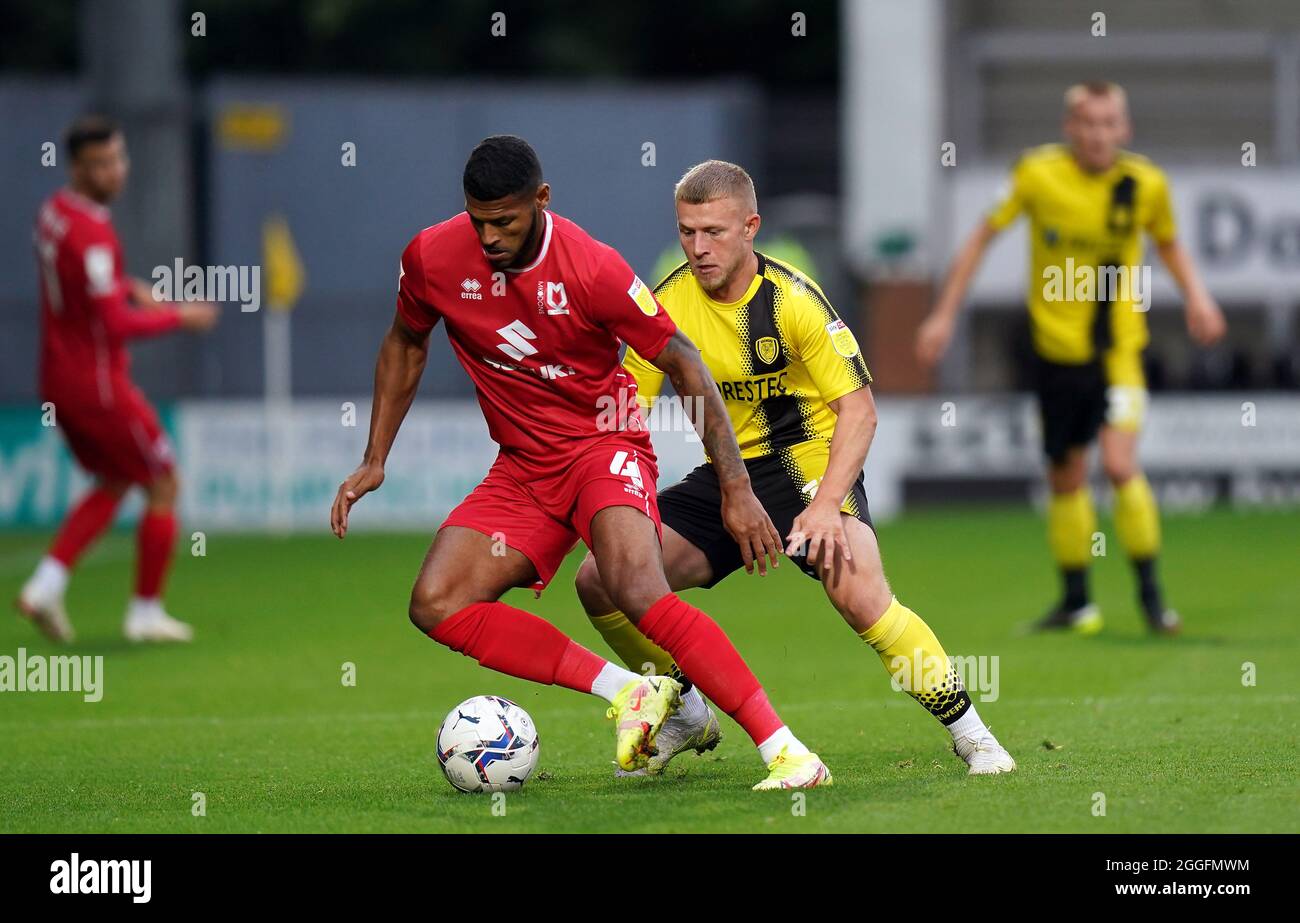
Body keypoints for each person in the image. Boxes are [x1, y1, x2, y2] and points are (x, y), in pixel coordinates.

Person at [330, 136, 830, 788]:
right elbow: (405, 343)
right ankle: (630, 689)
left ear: (541, 201)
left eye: (504, 221)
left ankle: (787, 750)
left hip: (605, 446)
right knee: (437, 602)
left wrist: (735, 485)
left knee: (635, 587)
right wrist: (374, 456)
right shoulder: (431, 257)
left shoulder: (591, 268)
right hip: (522, 468)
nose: (488, 238)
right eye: (478, 220)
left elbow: (683, 361)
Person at [575, 160, 1015, 775]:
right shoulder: (666, 304)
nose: (699, 248)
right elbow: (625, 414)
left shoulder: (794, 301)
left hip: (807, 468)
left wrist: (825, 506)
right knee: (602, 579)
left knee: (860, 595)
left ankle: (974, 735)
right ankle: (683, 709)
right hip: (728, 478)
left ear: (750, 226)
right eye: (687, 232)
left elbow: (859, 413)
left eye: (715, 232)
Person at [916, 82, 1227, 635]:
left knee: (1119, 463)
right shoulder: (1036, 174)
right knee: (1065, 475)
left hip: (1118, 352)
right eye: (1088, 122)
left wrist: (1198, 297)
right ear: (1070, 127)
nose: (1099, 133)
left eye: (1109, 123)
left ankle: (1154, 601)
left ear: (1124, 129)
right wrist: (944, 314)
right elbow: (981, 237)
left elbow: (1170, 241)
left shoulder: (1144, 183)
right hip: (1057, 355)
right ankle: (1077, 602)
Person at [18, 115, 219, 644]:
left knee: (115, 479)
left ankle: (44, 585)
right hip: (99, 385)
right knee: (164, 480)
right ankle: (145, 613)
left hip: (58, 379)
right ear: (79, 168)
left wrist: (127, 287)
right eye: (103, 163)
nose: (116, 171)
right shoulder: (94, 233)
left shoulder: (54, 213)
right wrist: (180, 315)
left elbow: (81, 283)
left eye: (119, 158)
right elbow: (112, 324)